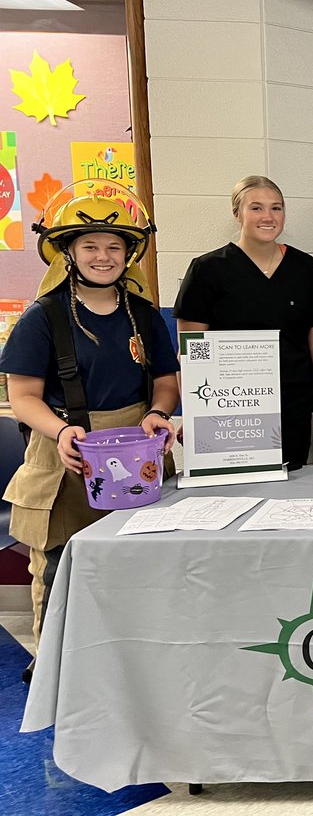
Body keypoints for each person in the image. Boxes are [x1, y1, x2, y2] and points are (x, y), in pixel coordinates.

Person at [1, 191, 179, 672]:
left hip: (138, 450)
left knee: (140, 563)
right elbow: (23, 396)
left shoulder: (144, 315)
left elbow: (165, 381)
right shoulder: (44, 317)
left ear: (129, 254)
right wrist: (61, 433)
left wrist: (159, 412)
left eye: (114, 247)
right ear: (69, 253)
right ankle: (58, 669)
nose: (103, 257)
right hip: (65, 452)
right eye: (90, 246)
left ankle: (135, 666)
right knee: (60, 566)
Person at [175, 176, 313, 470]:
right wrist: (194, 412)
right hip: (227, 410)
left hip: (291, 404)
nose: (268, 217)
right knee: (233, 487)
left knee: (290, 485)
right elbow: (191, 348)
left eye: (277, 208)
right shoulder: (207, 270)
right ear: (237, 213)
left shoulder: (307, 270)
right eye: (256, 208)